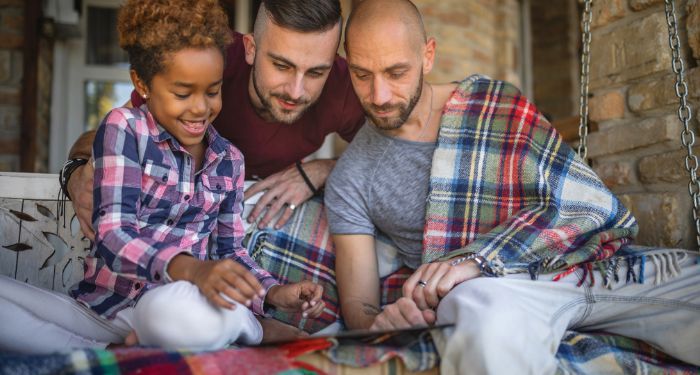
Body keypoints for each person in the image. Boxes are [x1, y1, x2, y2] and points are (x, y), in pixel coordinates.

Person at [325, 0, 700, 373]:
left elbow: (587, 204)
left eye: (396, 72)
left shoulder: (493, 104)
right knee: (488, 326)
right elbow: (360, 306)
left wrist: (477, 257)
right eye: (361, 74)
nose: (379, 96)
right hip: (498, 292)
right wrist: (382, 324)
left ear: (428, 55)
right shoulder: (352, 177)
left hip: (591, 266)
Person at [0, 0, 324, 354]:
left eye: (212, 91)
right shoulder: (125, 130)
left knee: (172, 312)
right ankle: (106, 353)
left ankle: (241, 325)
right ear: (142, 82)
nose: (201, 108)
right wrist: (191, 269)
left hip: (176, 305)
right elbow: (113, 236)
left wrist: (274, 292)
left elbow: (230, 253)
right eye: (183, 93)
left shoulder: (229, 160)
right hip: (103, 308)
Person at [61, 0, 365, 242]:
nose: (297, 91)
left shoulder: (341, 86)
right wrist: (74, 172)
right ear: (250, 48)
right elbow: (107, 134)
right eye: (282, 66)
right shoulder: (209, 59)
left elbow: (394, 151)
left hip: (255, 236)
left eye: (315, 73)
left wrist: (325, 168)